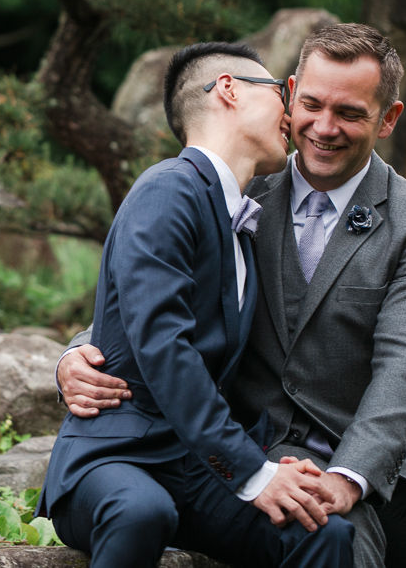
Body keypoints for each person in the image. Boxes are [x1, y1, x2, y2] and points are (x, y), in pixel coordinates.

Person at [58, 24, 406, 567]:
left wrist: (352, 472)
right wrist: (77, 354)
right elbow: (153, 288)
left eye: (351, 113)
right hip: (262, 445)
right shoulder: (239, 187)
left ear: (388, 118)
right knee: (339, 545)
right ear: (289, 94)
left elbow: (405, 368)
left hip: (384, 455)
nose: (324, 127)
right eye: (312, 104)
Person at [37, 42, 355, 568]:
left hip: (196, 466)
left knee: (322, 533)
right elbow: (162, 343)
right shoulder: (168, 189)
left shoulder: (242, 219)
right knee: (141, 511)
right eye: (282, 92)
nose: (293, 113)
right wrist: (254, 471)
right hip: (117, 458)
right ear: (229, 90)